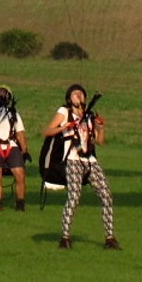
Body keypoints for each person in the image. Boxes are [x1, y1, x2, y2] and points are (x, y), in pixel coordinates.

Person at [43, 83, 117, 250]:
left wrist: (101, 127)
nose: (79, 96)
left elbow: (99, 141)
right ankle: (65, 237)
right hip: (72, 159)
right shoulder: (64, 112)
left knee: (106, 196)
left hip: (90, 160)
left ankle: (110, 238)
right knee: (74, 197)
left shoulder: (90, 115)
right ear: (69, 98)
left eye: (81, 94)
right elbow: (47, 131)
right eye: (75, 94)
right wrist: (65, 127)